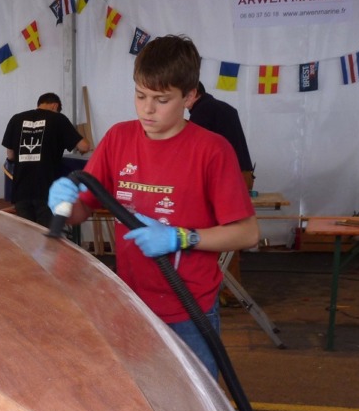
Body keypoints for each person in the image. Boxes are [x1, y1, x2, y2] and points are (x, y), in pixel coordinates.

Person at [47, 35, 259, 378]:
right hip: (132, 308)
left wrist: (181, 237)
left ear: (189, 96)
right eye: (140, 95)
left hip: (191, 314)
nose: (147, 109)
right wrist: (63, 201)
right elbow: (83, 209)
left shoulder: (212, 150)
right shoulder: (118, 139)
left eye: (162, 100)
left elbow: (248, 233)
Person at [187, 81, 254, 300]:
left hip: (229, 177)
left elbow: (191, 148)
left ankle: (229, 292)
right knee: (228, 232)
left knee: (227, 234)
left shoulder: (202, 111)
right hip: (243, 173)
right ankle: (228, 289)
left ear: (193, 93)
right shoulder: (221, 107)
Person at [1, 92, 90, 227]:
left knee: (26, 236)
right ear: (55, 106)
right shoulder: (58, 119)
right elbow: (84, 146)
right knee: (46, 239)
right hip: (47, 189)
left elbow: (10, 156)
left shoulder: (16, 119)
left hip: (21, 190)